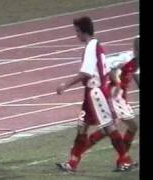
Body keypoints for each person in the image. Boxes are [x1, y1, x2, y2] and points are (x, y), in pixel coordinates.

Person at [55, 16, 133, 172]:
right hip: (91, 93)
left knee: (109, 128)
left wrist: (65, 85)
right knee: (82, 127)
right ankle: (72, 163)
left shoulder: (91, 46)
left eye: (77, 31)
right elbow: (106, 69)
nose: (76, 34)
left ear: (83, 31)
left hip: (95, 93)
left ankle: (124, 160)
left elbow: (85, 73)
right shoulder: (97, 45)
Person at [82, 36, 140, 168]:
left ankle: (77, 154)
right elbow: (112, 69)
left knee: (106, 130)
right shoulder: (126, 58)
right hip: (114, 95)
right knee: (131, 126)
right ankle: (122, 160)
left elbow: (135, 76)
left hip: (120, 97)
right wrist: (118, 83)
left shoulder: (137, 61)